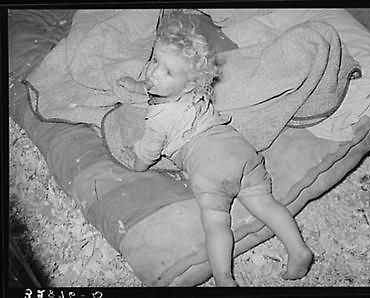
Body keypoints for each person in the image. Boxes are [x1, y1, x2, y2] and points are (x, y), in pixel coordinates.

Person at [117, 11, 313, 287]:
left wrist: (135, 162)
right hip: (240, 153)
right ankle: (298, 248)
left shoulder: (159, 119)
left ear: (188, 83)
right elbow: (161, 86)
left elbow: (148, 153)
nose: (154, 73)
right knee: (266, 205)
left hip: (209, 168)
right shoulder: (196, 89)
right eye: (155, 61)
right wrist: (139, 86)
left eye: (167, 70)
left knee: (216, 224)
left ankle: (224, 278)